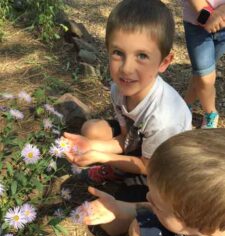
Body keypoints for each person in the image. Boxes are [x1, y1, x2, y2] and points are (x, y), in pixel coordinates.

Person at [47, 128, 225, 236]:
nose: (147, 196)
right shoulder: (205, 220)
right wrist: (120, 208)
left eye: (158, 203)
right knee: (141, 228)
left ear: (203, 226)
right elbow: (155, 210)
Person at [63, 0, 191, 201]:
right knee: (91, 130)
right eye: (118, 53)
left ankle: (126, 177)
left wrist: (103, 156)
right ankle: (121, 171)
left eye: (141, 56)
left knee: (116, 220)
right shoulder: (118, 89)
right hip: (142, 146)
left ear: (164, 62)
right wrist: (90, 146)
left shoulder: (164, 118)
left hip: (162, 166)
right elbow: (126, 140)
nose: (126, 68)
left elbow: (150, 167)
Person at [183, 0, 225, 128]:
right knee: (204, 76)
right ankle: (211, 112)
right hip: (196, 23)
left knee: (204, 71)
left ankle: (184, 105)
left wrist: (221, 12)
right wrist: (206, 14)